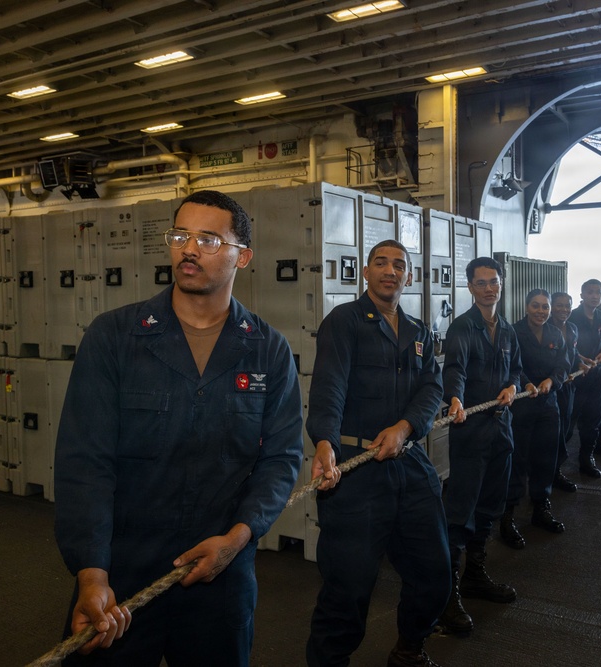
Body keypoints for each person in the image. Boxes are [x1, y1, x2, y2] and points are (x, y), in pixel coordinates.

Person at [54, 190, 304, 665]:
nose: (189, 249)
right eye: (180, 235)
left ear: (243, 257)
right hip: (121, 573)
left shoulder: (267, 350)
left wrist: (239, 537)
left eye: (209, 239)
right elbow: (84, 462)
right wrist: (91, 574)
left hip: (221, 572)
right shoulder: (114, 338)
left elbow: (282, 457)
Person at [306, 240, 449, 667]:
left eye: (399, 265)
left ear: (409, 276)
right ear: (365, 272)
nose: (391, 270)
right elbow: (329, 386)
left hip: (410, 467)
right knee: (347, 589)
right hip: (357, 471)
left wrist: (405, 428)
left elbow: (432, 389)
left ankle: (409, 649)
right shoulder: (345, 321)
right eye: (381, 263)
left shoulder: (419, 331)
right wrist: (325, 442)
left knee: (435, 574)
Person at [438, 257, 521, 637]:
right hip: (470, 431)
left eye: (494, 281)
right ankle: (448, 594)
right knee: (460, 513)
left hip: (501, 430)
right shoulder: (462, 327)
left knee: (489, 507)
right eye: (481, 282)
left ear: (501, 284)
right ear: (470, 287)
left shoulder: (506, 329)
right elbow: (453, 368)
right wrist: (454, 398)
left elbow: (516, 369)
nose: (489, 288)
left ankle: (475, 576)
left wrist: (512, 387)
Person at [502, 288, 571, 549]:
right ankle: (507, 517)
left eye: (545, 307)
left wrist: (552, 380)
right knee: (517, 460)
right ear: (526, 306)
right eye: (536, 305)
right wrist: (527, 384)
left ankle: (540, 508)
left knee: (545, 458)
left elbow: (564, 364)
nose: (541, 311)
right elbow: (511, 366)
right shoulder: (513, 332)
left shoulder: (555, 333)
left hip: (549, 404)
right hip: (522, 405)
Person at [568, 279, 601, 478]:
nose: (594, 295)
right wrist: (579, 360)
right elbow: (565, 346)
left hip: (596, 375)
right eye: (590, 292)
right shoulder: (572, 316)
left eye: (598, 292)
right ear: (582, 295)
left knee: (593, 420)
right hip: (575, 376)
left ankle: (587, 459)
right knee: (568, 424)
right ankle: (555, 467)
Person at [549, 291, 586, 492]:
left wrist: (580, 362)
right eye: (559, 305)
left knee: (567, 430)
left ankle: (556, 468)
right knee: (553, 434)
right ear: (551, 307)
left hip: (569, 386)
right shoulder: (544, 329)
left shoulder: (572, 328)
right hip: (551, 388)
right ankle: (551, 474)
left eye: (567, 306)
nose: (564, 309)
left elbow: (571, 353)